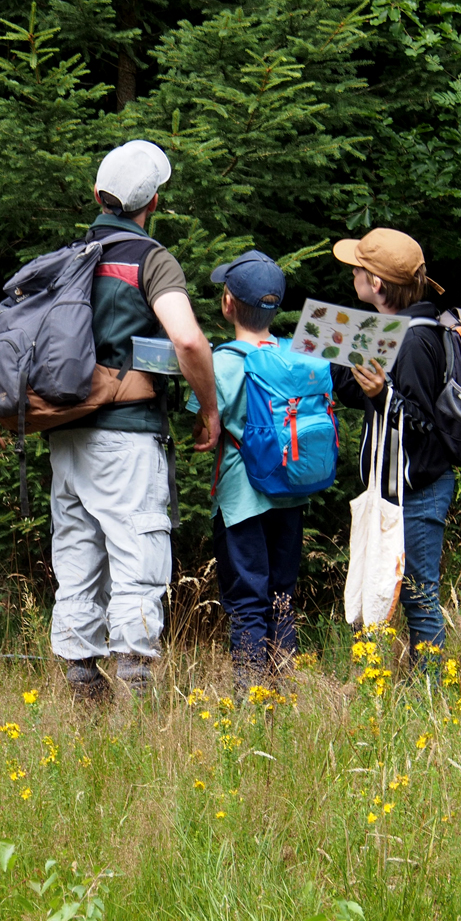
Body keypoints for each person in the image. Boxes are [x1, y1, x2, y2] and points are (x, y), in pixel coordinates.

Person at [47, 140, 219, 698]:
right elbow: (188, 338)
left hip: (66, 433)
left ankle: (80, 687)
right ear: (155, 201)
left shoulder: (71, 257)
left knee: (77, 556)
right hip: (128, 436)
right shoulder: (150, 258)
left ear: (98, 196)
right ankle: (136, 695)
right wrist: (208, 410)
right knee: (136, 557)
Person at [329, 228, 454, 672]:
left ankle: (431, 696)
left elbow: (426, 426)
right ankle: (375, 689)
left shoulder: (418, 340)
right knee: (376, 592)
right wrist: (342, 345)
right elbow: (349, 391)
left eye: (358, 269)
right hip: (390, 490)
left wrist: (384, 395)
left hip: (419, 491)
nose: (353, 275)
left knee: (419, 598)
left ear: (377, 284)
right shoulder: (386, 329)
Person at [187, 251, 306, 696]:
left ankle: (251, 696)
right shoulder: (296, 355)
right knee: (281, 595)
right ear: (276, 308)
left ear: (227, 304)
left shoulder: (220, 362)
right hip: (292, 493)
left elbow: (203, 430)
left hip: (241, 499)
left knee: (248, 599)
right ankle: (284, 687)